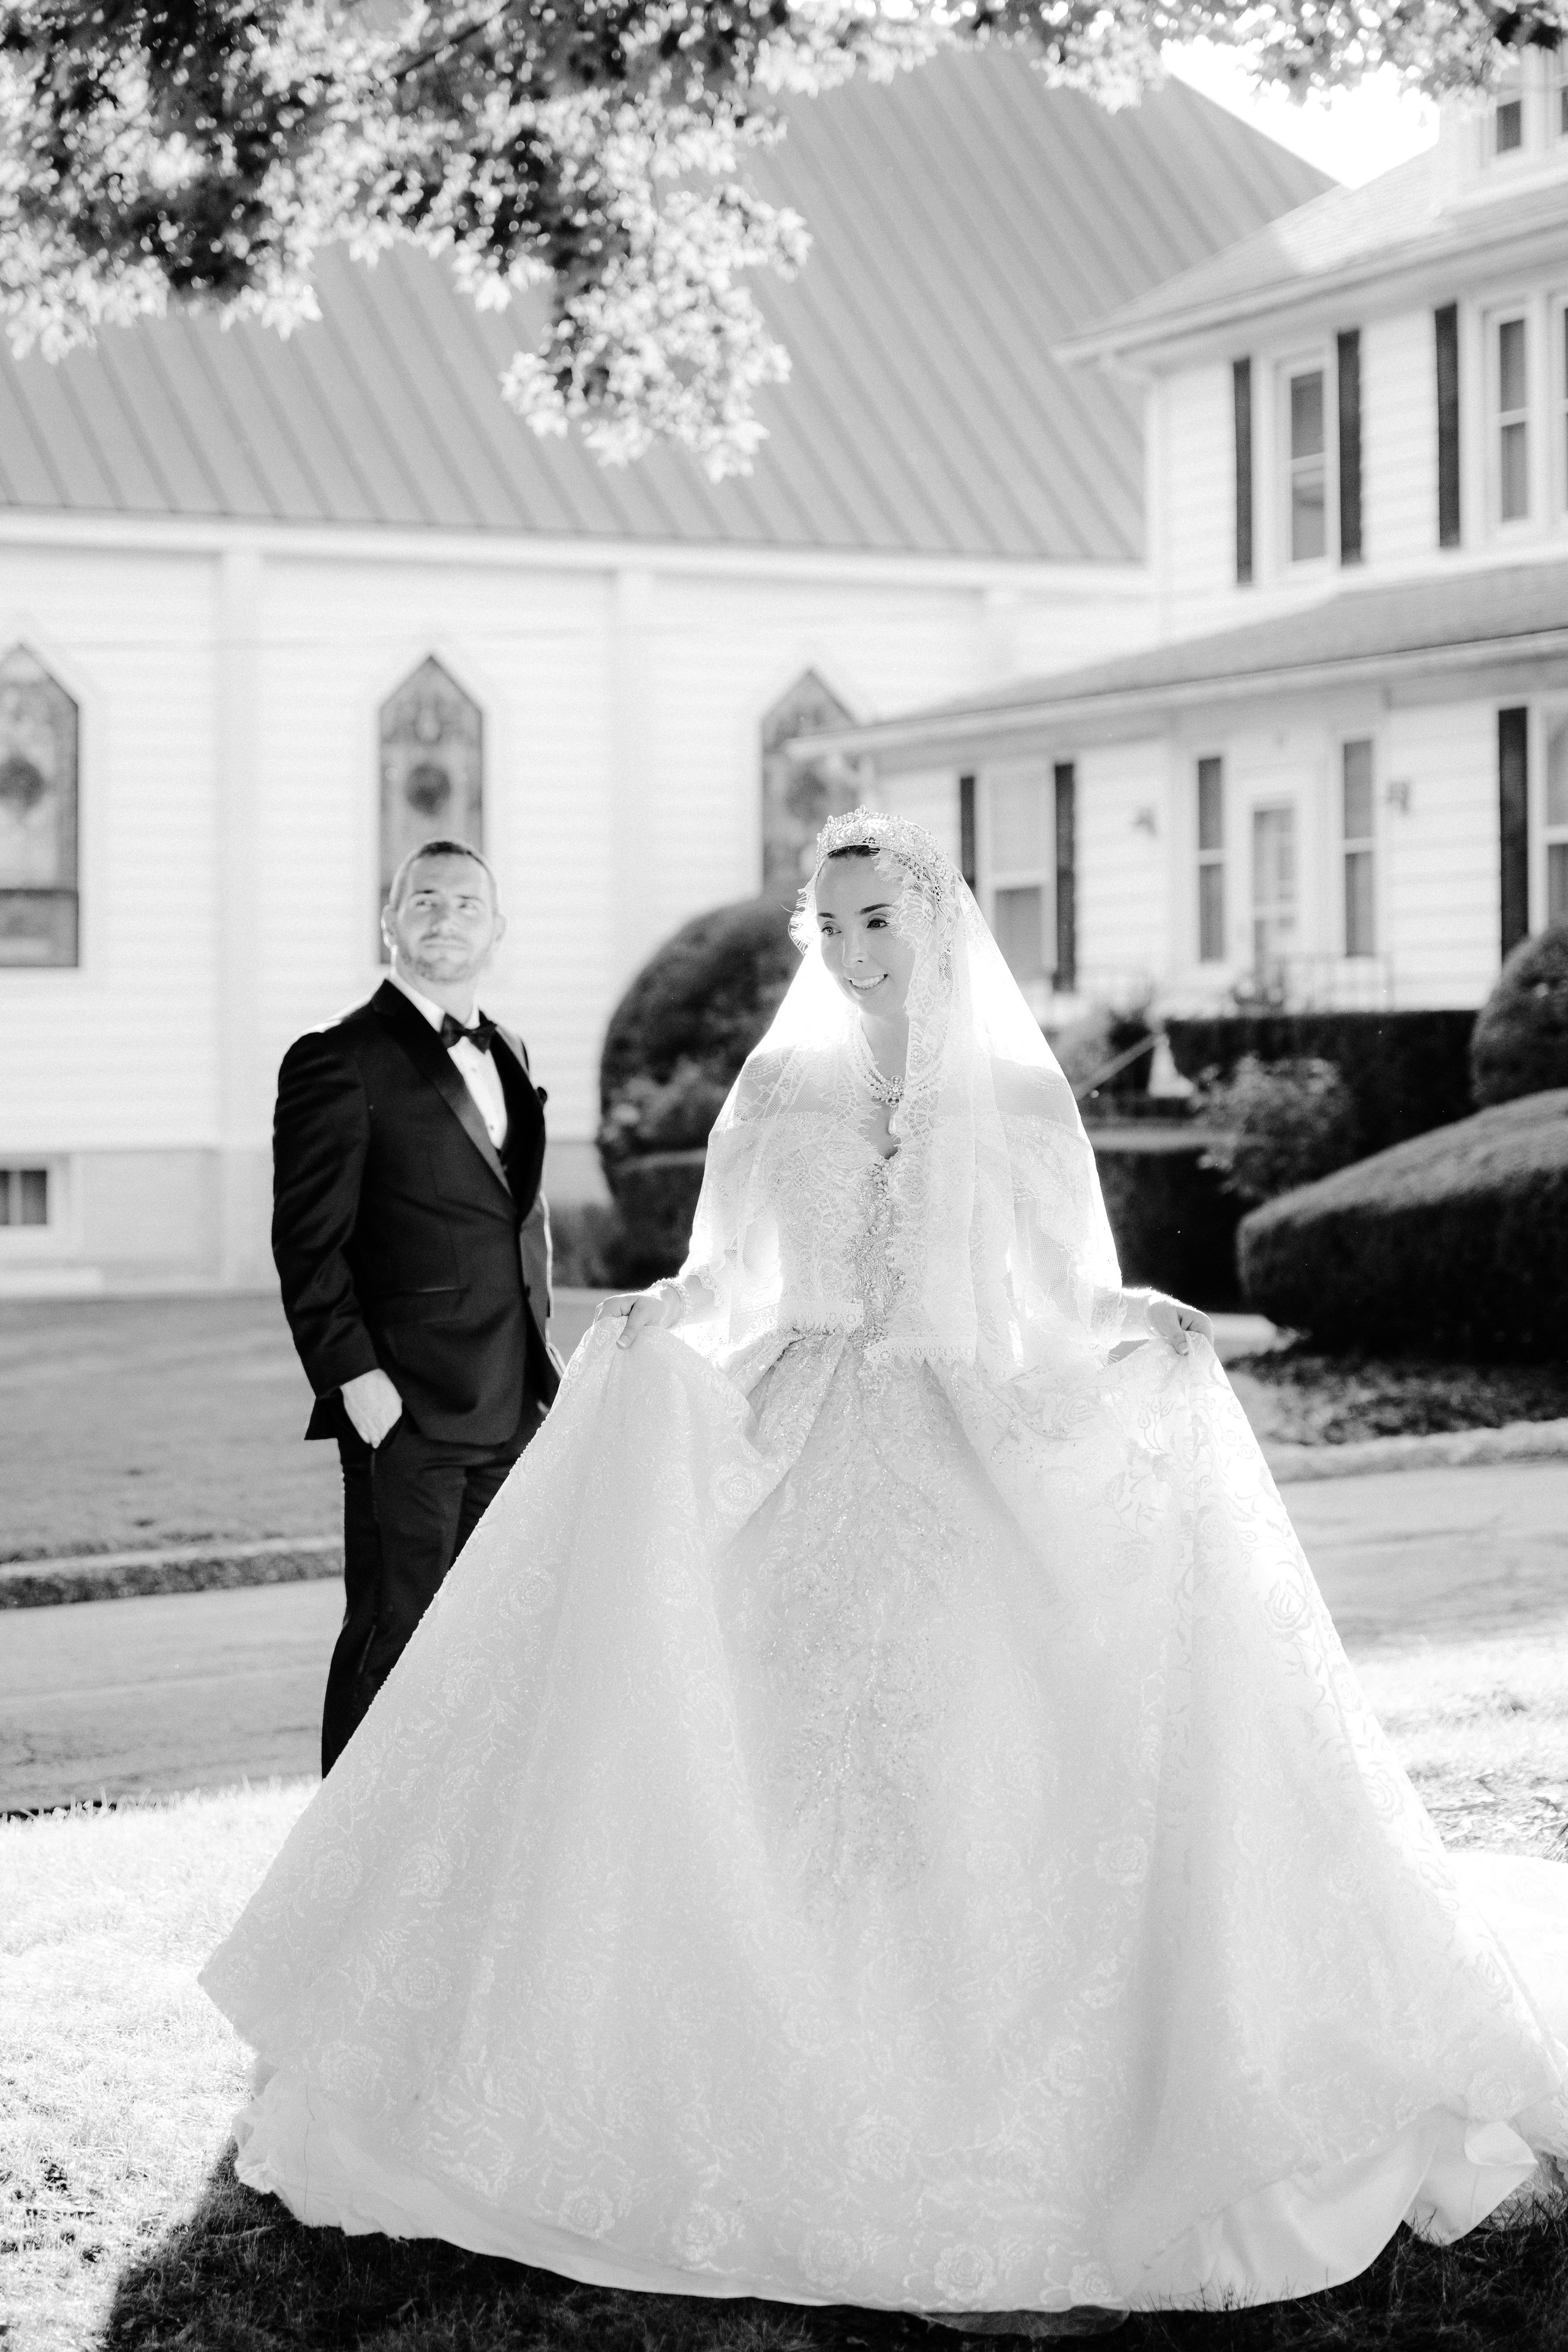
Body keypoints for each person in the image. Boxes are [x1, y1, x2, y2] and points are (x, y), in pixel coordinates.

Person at [206, 812, 1567, 2329]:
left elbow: (1055, 1285)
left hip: (966, 1442)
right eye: (833, 924)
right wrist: (672, 1307)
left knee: (968, 1755)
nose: (854, 952)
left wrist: (1142, 1318)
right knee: (777, 1753)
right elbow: (737, 1265)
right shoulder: (779, 1081)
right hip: (803, 1429)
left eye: (878, 924)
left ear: (932, 921)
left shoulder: (1002, 1090)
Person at [271, 836, 559, 1774]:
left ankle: (447, 1842)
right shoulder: (335, 1059)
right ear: (390, 921)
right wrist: (358, 1382)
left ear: (497, 927)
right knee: (394, 1631)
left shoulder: (509, 1048)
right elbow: (308, 1243)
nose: (446, 919)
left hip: (510, 1397)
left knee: (484, 1636)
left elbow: (515, 1218)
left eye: (467, 903)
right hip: (405, 1406)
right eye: (425, 901)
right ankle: (341, 1867)